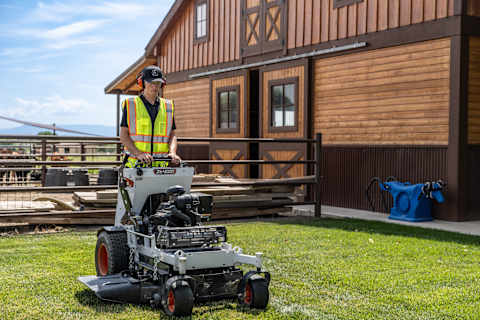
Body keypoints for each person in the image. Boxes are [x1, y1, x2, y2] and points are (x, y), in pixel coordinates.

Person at [120, 65, 181, 167]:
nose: (154, 86)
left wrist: (172, 152)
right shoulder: (131, 105)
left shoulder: (168, 107)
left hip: (160, 166)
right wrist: (138, 153)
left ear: (162, 84)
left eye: (157, 82)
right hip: (136, 165)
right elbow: (123, 135)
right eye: (151, 82)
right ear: (142, 82)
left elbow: (172, 134)